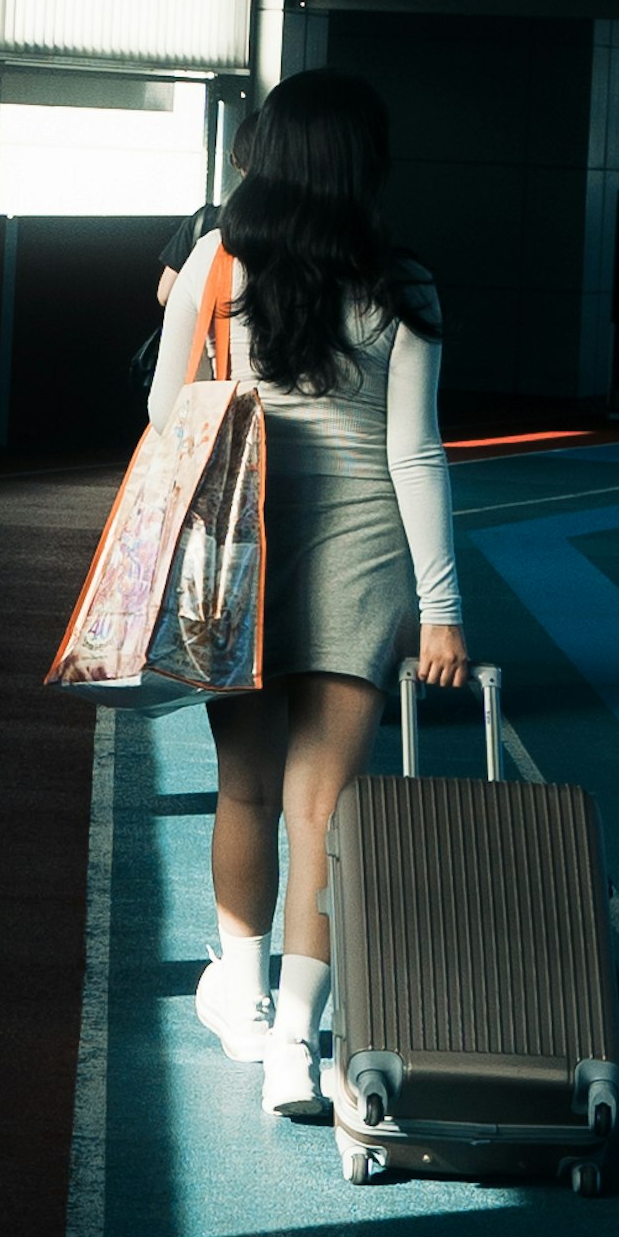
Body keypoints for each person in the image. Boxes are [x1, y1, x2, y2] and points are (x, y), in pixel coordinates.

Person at [149, 67, 467, 1124]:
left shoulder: (218, 258)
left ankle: (238, 1001)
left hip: (243, 541)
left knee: (242, 785)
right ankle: (299, 1044)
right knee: (322, 809)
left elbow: (167, 411)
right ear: (364, 170)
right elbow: (416, 455)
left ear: (269, 156)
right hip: (366, 550)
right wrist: (443, 611)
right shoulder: (405, 283)